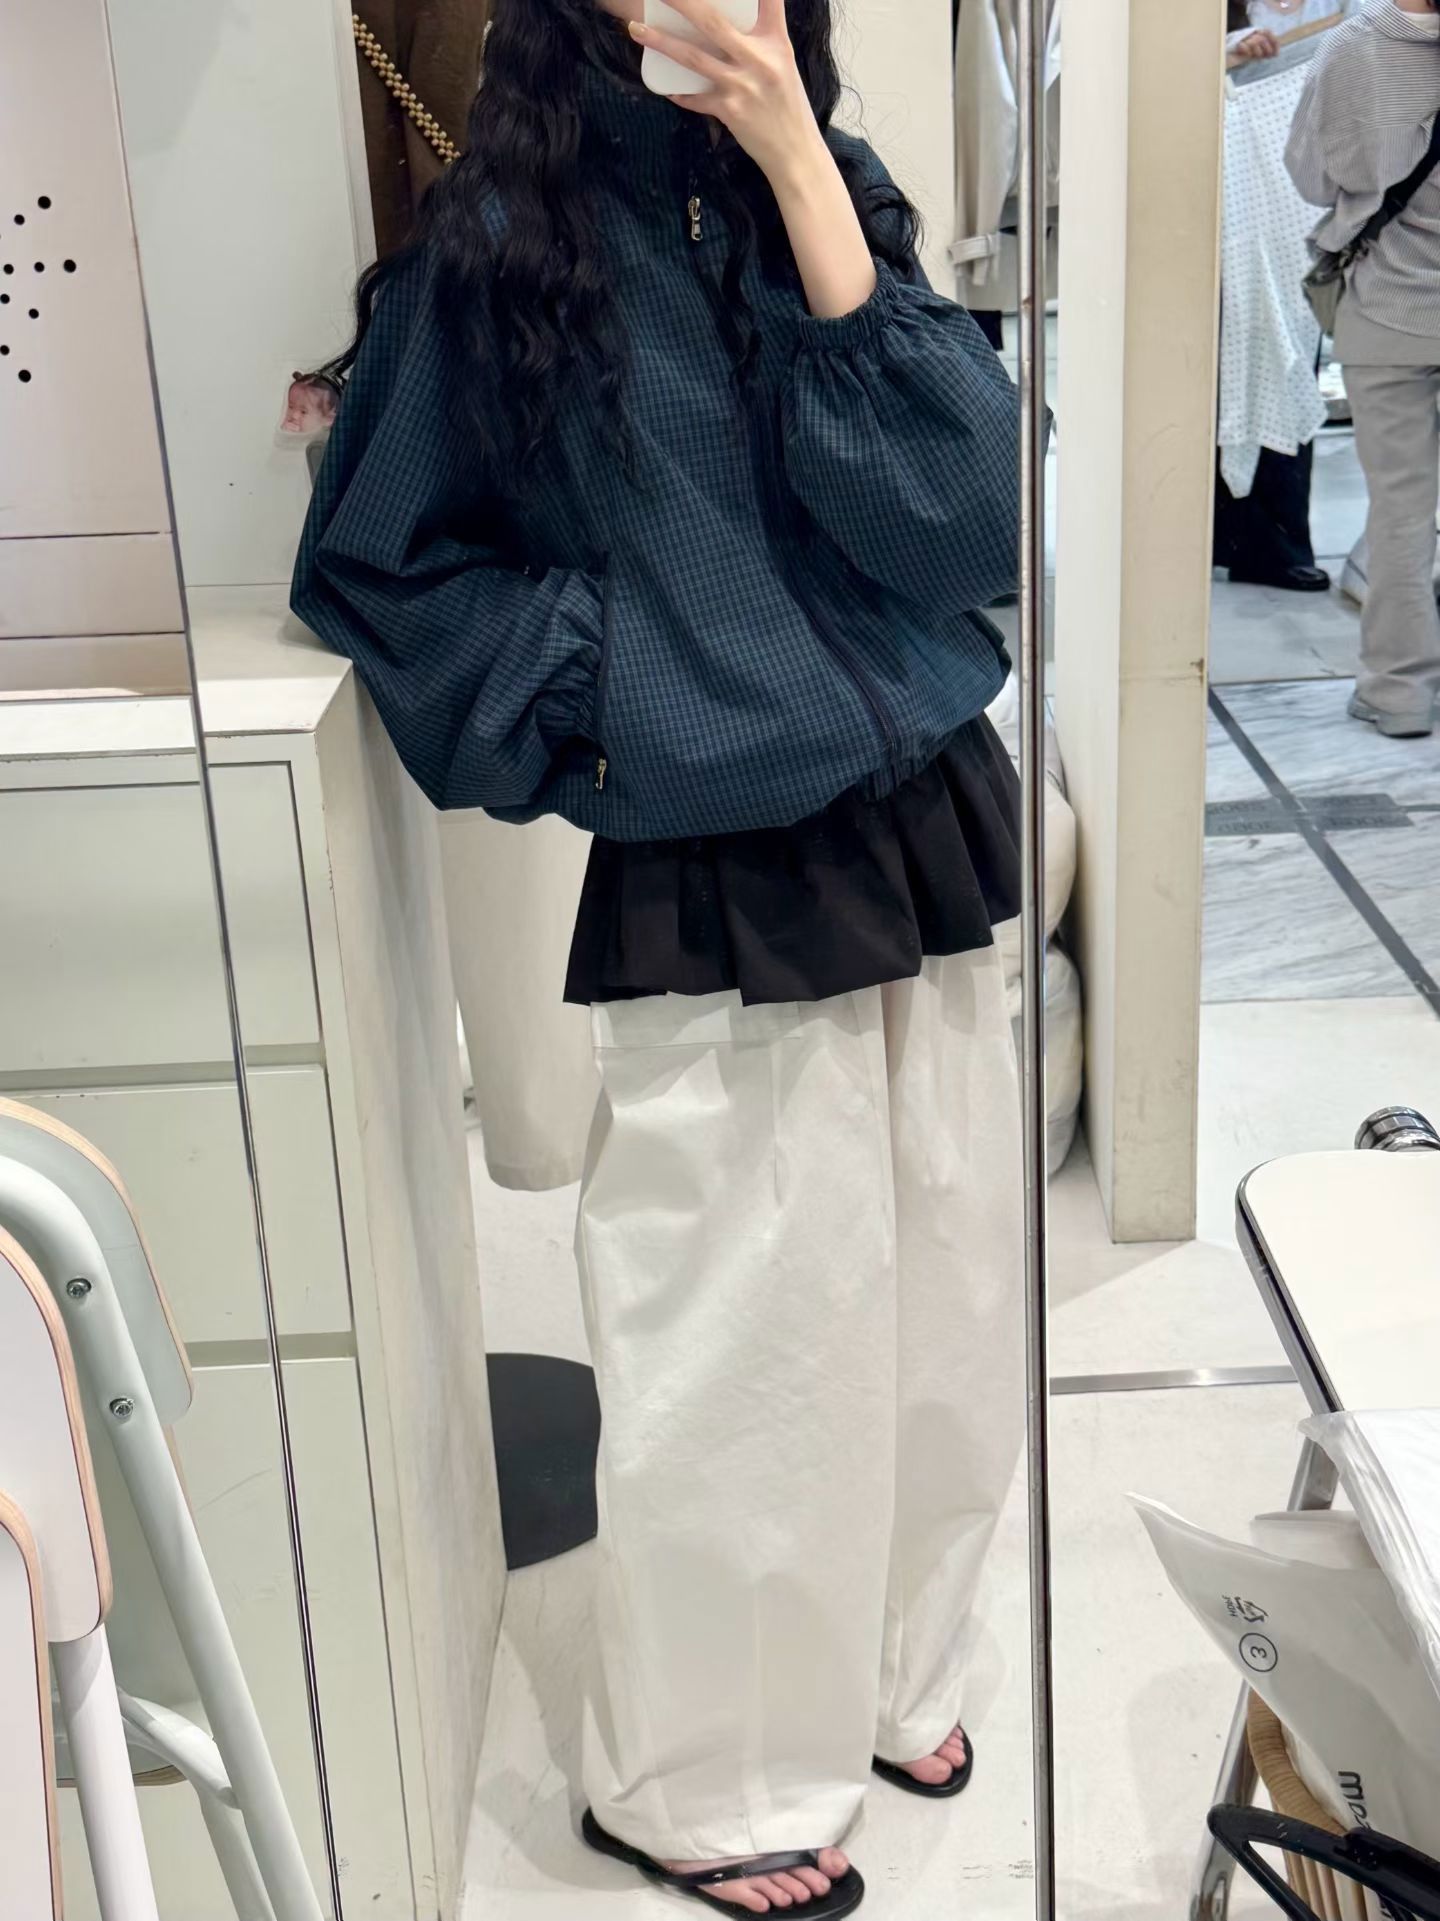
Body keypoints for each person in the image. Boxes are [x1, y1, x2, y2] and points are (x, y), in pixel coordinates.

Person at [292, 0, 1025, 1911]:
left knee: (942, 1321)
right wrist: (615, 685)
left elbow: (971, 524)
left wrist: (800, 172)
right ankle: (703, 1777)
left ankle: (890, 1671)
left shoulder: (831, 188)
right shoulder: (503, 245)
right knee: (745, 1361)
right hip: (717, 859)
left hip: (930, 811)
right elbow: (379, 566)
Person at [1287, 0, 1440, 737]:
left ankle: (1398, 691)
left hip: (1388, 310)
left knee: (1401, 512)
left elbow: (1312, 178)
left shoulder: (1356, 45)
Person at [1212, 0, 1355, 593]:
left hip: (1306, 187)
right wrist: (1226, 50)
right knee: (1222, 355)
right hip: (1220, 174)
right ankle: (1218, 534)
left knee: (1293, 346)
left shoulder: (1342, 6)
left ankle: (1275, 541)